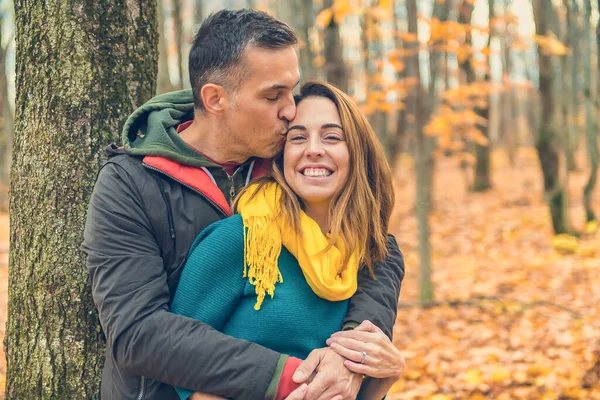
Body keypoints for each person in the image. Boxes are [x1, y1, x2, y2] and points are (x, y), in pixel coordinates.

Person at [82, 9, 405, 400]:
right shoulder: (132, 183)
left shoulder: (291, 163)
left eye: (292, 90)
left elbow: (367, 245)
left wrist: (352, 351)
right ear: (216, 99)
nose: (290, 109)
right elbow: (137, 332)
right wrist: (297, 378)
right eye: (273, 95)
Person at [171, 81, 405, 400]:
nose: (313, 149)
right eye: (298, 138)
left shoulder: (369, 257)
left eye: (332, 137)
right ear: (281, 157)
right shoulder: (241, 240)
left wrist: (388, 374)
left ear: (358, 154)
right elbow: (176, 367)